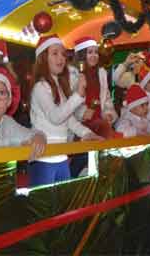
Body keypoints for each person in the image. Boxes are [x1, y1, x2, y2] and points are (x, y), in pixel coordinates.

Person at [29, 35, 99, 186]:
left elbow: (70, 120)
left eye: (62, 54)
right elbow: (56, 117)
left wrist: (87, 134)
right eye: (54, 53)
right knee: (46, 206)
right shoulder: (40, 88)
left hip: (61, 156)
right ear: (43, 59)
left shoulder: (59, 88)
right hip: (43, 157)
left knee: (62, 204)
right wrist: (78, 95)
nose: (60, 58)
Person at [72, 38, 117, 138]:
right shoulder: (74, 75)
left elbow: (107, 99)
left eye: (96, 52)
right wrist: (83, 112)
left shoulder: (101, 74)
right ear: (82, 55)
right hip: (79, 125)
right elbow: (70, 100)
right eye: (90, 52)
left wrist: (108, 113)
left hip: (99, 121)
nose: (94, 55)